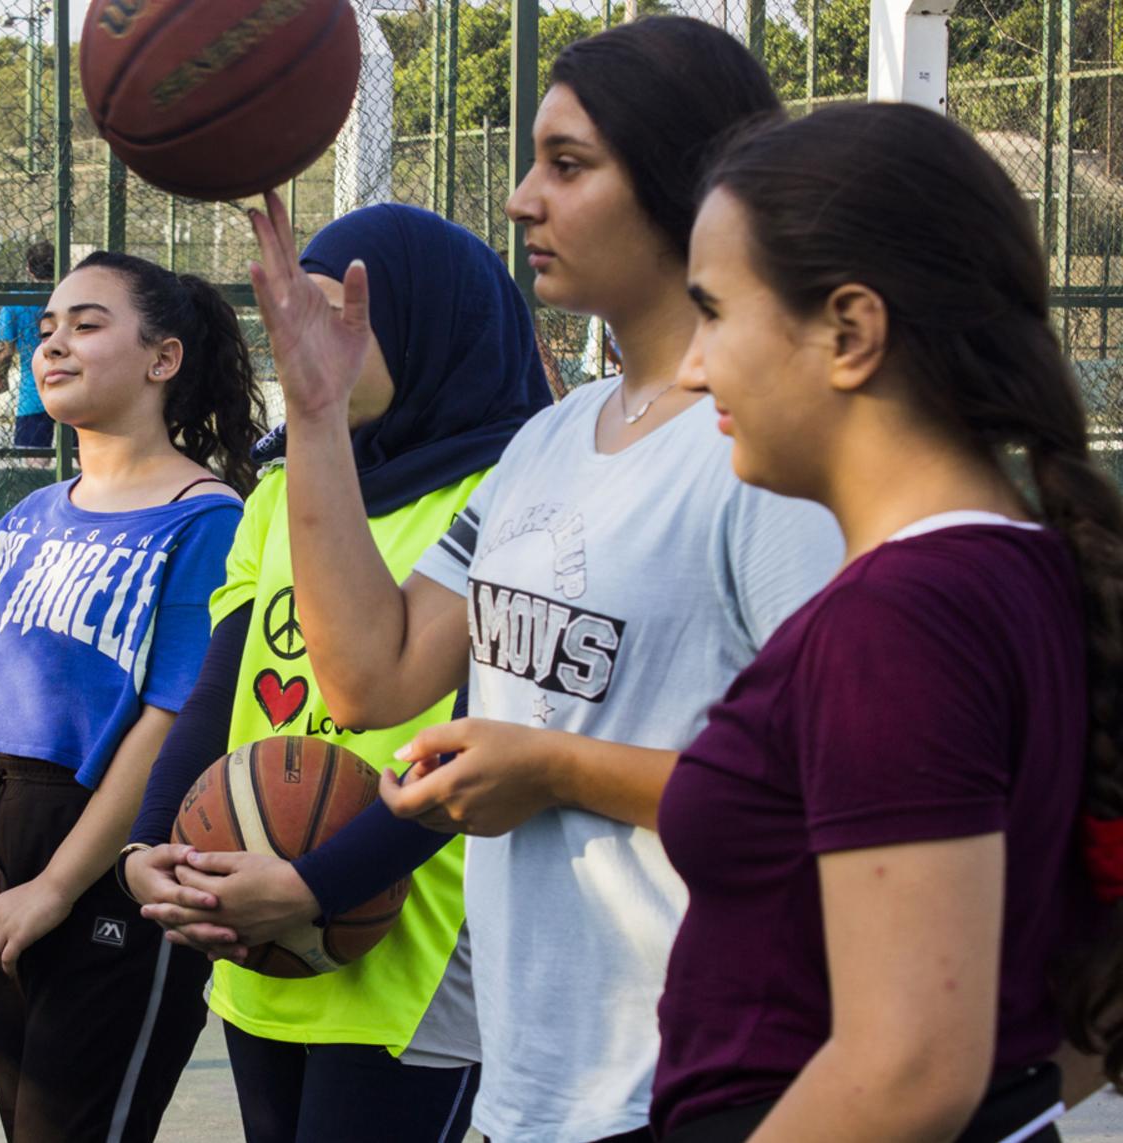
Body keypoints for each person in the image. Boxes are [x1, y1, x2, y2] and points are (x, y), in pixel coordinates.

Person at [192, 18, 844, 1143]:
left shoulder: (770, 453)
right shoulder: (551, 440)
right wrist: (312, 412)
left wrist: (553, 766)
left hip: (716, 1076)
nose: (519, 199)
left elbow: (838, 789)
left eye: (568, 164)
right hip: (538, 1070)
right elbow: (368, 676)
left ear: (689, 181)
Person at [649, 102, 1123, 1143]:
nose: (690, 367)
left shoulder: (898, 623)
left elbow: (905, 1069)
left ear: (850, 332)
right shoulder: (1034, 574)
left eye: (714, 313)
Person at [120, 204, 552, 1143]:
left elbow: (486, 737)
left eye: (336, 317)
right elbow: (219, 688)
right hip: (258, 925)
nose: (305, 345)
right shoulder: (280, 491)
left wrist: (318, 883)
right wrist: (150, 844)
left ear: (426, 326)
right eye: (293, 319)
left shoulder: (509, 496)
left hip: (419, 945)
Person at [0, 249, 265, 1141]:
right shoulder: (26, 519)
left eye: (87, 324)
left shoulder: (207, 519)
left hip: (116, 861)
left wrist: (55, 887)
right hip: (2, 849)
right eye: (47, 329)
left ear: (163, 359)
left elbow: (167, 724)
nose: (55, 345)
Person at [0, 241, 56, 451]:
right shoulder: (69, 297)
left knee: (32, 461)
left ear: (29, 268)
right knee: (85, 461)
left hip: (34, 394)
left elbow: (6, 351)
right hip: (76, 394)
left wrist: (1, 376)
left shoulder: (15, 301)